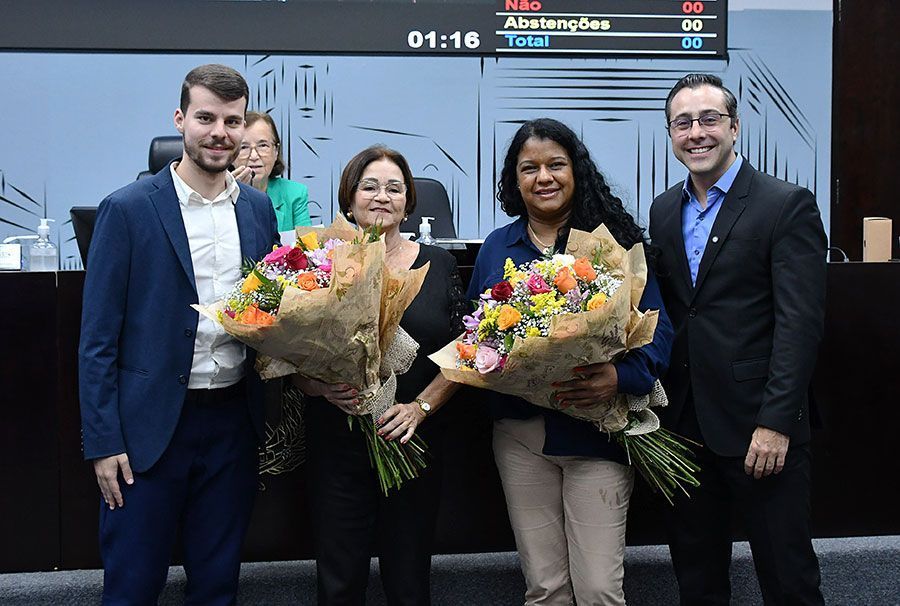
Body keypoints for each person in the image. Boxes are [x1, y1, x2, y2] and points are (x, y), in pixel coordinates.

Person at [78, 64, 279, 605]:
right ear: (180, 120)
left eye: (232, 121)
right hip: (147, 432)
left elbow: (271, 313)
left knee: (217, 586)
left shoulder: (258, 210)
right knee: (133, 587)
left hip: (232, 424)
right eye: (206, 117)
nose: (220, 132)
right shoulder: (126, 209)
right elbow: (97, 340)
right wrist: (103, 442)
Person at [467, 118, 673, 606]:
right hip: (521, 437)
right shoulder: (498, 246)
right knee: (545, 588)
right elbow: (474, 332)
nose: (544, 177)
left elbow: (658, 329)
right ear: (514, 180)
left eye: (556, 165)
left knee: (600, 588)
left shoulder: (612, 243)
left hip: (596, 432)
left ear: (576, 172)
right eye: (530, 168)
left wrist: (618, 376)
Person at [649, 73, 826, 605]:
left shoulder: (785, 203)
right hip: (683, 426)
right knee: (697, 581)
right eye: (683, 122)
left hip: (759, 429)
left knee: (788, 578)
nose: (696, 132)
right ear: (670, 133)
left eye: (709, 120)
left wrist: (775, 424)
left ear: (735, 127)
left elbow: (800, 325)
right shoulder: (662, 210)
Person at [294, 145, 465, 605]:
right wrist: (317, 385)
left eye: (394, 188)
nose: (381, 197)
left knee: (409, 579)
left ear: (409, 201)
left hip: (411, 438)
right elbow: (290, 358)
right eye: (369, 186)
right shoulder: (319, 265)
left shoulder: (440, 264)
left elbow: (464, 353)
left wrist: (421, 407)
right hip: (337, 439)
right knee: (339, 579)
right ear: (348, 198)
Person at [233, 110, 311, 230]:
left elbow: (307, 245)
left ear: (276, 151)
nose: (254, 156)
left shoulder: (294, 194)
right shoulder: (218, 195)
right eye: (243, 147)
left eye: (263, 145)